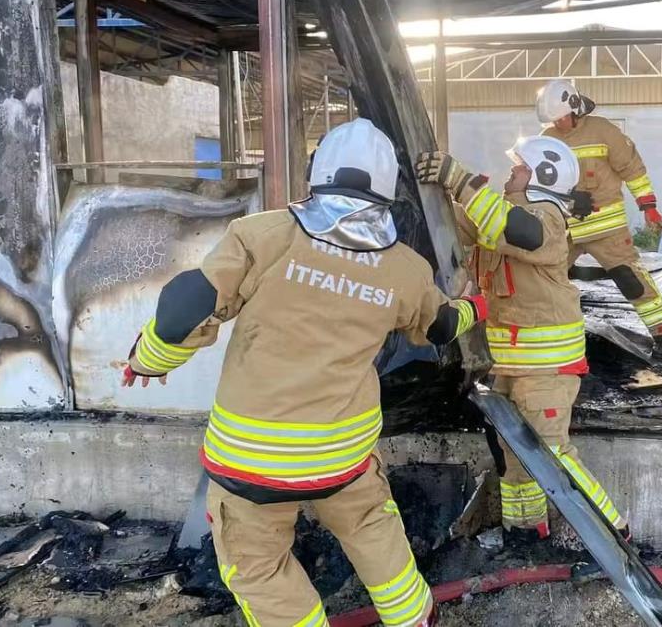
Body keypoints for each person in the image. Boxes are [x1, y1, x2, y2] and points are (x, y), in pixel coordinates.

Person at [122, 118, 487, 627]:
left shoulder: (261, 236)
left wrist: (150, 358)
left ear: (317, 174)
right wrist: (476, 308)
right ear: (389, 191)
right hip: (341, 456)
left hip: (250, 462)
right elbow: (442, 325)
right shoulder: (404, 268)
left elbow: (188, 303)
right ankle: (412, 618)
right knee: (372, 531)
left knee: (259, 569)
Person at [415, 137, 628, 580]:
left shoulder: (545, 220)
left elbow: (513, 229)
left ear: (542, 175)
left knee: (553, 455)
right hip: (512, 367)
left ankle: (613, 538)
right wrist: (430, 194)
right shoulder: (502, 218)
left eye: (519, 169)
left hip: (546, 368)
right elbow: (465, 227)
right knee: (519, 458)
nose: (510, 173)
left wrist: (460, 180)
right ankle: (524, 534)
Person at [537, 78, 662, 356]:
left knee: (630, 280)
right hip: (566, 230)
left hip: (607, 230)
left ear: (575, 108)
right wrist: (566, 199)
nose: (558, 124)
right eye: (553, 120)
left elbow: (632, 168)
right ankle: (544, 341)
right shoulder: (547, 140)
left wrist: (648, 205)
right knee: (543, 281)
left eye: (562, 117)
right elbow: (540, 186)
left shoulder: (603, 131)